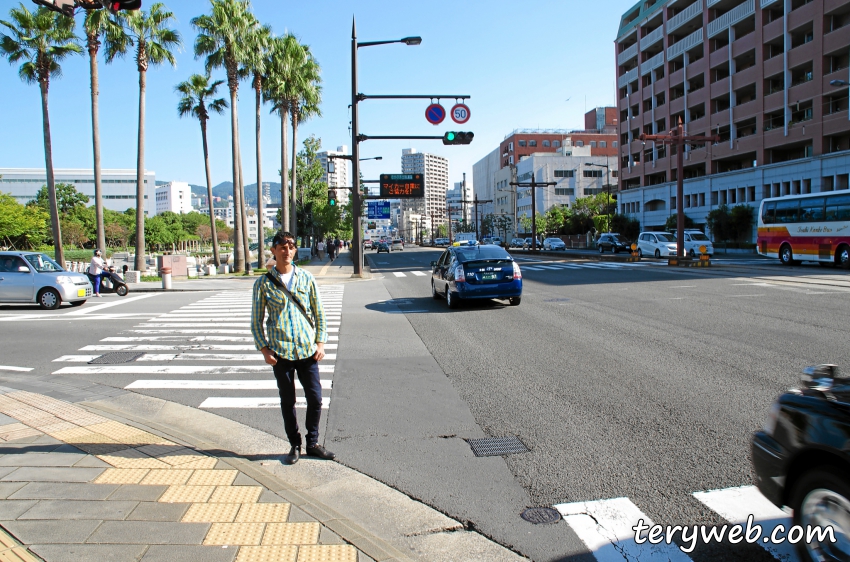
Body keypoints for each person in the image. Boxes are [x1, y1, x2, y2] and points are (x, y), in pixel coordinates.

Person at [251, 231, 334, 465]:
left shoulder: (307, 278)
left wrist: (320, 342)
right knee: (288, 401)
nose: (287, 250)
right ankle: (294, 445)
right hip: (281, 353)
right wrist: (264, 349)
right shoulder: (263, 284)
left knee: (316, 399)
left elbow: (319, 313)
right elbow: (256, 321)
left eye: (291, 246)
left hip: (307, 350)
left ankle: (313, 443)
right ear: (273, 250)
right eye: (282, 246)